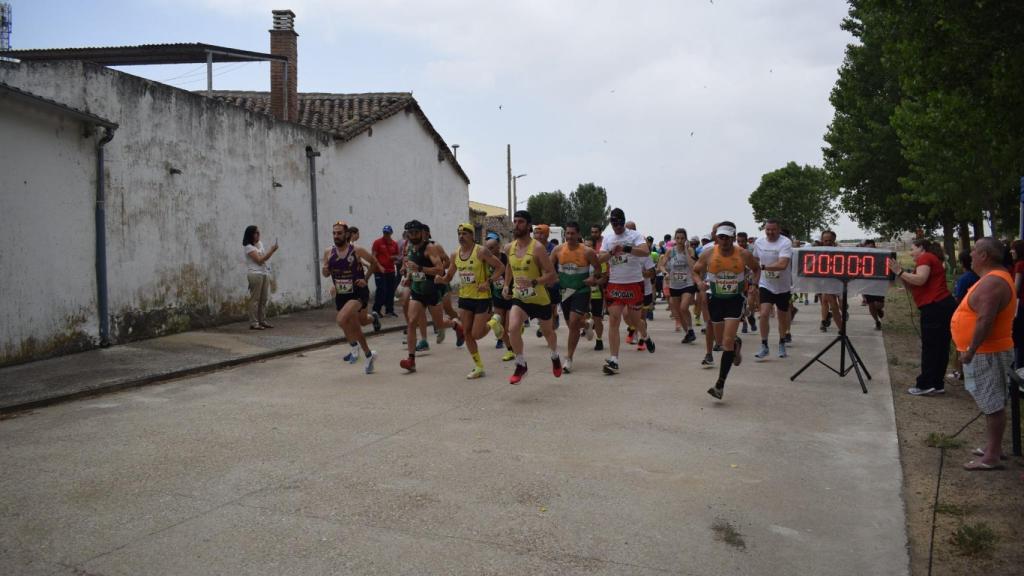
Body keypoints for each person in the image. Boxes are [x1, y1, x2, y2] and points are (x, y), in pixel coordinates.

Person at [951, 238, 1016, 470]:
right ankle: (993, 448)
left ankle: (992, 457)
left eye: (975, 251)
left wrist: (970, 350)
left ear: (985, 256)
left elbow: (985, 319)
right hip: (985, 352)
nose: (971, 255)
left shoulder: (993, 283)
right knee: (991, 401)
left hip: (987, 352)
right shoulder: (990, 279)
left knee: (992, 403)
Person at [694, 221, 760, 400]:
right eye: (721, 237)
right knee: (722, 342)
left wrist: (753, 285)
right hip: (715, 299)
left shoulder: (743, 254)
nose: (724, 241)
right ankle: (736, 347)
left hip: (735, 299)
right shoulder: (708, 253)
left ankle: (720, 385)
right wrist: (699, 282)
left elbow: (756, 269)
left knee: (727, 340)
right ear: (716, 237)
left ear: (733, 237)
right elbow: (696, 270)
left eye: (727, 237)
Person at [889, 238, 957, 396]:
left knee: (931, 347)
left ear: (921, 248)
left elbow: (920, 280)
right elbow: (915, 283)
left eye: (912, 248)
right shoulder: (932, 259)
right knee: (941, 347)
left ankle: (925, 384)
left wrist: (900, 272)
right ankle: (937, 383)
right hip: (943, 306)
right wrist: (902, 274)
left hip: (934, 307)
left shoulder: (925, 258)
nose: (911, 252)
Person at [502, 210, 561, 384]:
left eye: (520, 222)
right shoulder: (508, 247)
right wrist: (506, 285)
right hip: (520, 298)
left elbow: (552, 275)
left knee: (547, 332)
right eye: (515, 221)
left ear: (528, 226)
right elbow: (509, 268)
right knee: (512, 328)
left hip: (540, 299)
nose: (516, 225)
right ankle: (521, 364)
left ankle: (555, 355)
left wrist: (534, 282)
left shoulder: (537, 248)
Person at [444, 223, 506, 379]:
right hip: (465, 298)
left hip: (481, 298)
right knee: (467, 333)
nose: (461, 236)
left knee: (476, 334)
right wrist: (441, 279)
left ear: (472, 235)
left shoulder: (481, 251)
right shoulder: (455, 254)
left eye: (465, 233)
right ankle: (479, 367)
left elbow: (500, 268)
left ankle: (494, 322)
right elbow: (450, 275)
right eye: (459, 233)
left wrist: (489, 281)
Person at [399, 220, 461, 372]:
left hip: (432, 291)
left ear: (422, 233)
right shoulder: (409, 246)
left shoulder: (430, 248)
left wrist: (420, 268)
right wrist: (408, 276)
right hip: (417, 291)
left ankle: (455, 325)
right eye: (410, 233)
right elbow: (410, 266)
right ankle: (411, 359)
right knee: (412, 321)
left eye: (415, 233)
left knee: (439, 324)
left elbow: (440, 269)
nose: (412, 236)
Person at [322, 221, 382, 373]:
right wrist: (326, 272)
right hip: (342, 294)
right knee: (358, 326)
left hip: (357, 293)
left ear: (347, 234)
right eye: (334, 233)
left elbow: (374, 263)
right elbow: (326, 273)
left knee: (341, 319)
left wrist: (366, 279)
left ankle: (354, 347)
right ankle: (369, 355)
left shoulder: (357, 250)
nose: (336, 236)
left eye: (339, 233)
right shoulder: (328, 252)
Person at [598, 208, 652, 375]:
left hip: (634, 284)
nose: (617, 228)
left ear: (624, 222)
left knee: (634, 321)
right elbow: (599, 258)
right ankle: (614, 359)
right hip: (615, 285)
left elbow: (645, 251)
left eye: (620, 224)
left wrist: (626, 248)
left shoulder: (634, 236)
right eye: (614, 225)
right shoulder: (608, 238)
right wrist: (611, 253)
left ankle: (644, 335)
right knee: (614, 320)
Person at [552, 222, 601, 373]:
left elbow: (598, 269)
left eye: (573, 233)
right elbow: (548, 267)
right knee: (572, 325)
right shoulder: (558, 250)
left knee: (573, 323)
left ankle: (568, 359)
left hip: (581, 291)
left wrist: (593, 278)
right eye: (567, 233)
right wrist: (552, 278)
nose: (570, 236)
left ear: (579, 235)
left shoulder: (587, 251)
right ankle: (586, 325)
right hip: (565, 292)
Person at [752, 219, 793, 359]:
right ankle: (764, 345)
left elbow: (783, 264)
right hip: (766, 284)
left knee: (782, 317)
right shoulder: (759, 242)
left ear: (778, 229)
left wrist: (763, 267)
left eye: (773, 230)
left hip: (783, 286)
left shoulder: (785, 242)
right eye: (767, 229)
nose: (770, 232)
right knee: (763, 314)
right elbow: (755, 262)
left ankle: (782, 342)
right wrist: (754, 283)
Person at [659, 228, 698, 344]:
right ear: (675, 239)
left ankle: (690, 329)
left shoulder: (690, 250)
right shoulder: (670, 251)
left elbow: (693, 266)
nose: (680, 240)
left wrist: (686, 251)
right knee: (678, 312)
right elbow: (661, 265)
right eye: (678, 238)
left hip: (687, 283)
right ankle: (688, 334)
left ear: (685, 239)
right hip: (674, 284)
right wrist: (665, 273)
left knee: (683, 307)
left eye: (682, 238)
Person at [485, 234, 515, 360]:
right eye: (487, 248)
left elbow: (512, 273)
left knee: (508, 327)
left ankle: (516, 332)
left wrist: (508, 287)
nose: (489, 250)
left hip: (510, 294)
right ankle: (509, 350)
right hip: (496, 296)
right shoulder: (486, 260)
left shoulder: (505, 258)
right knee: (499, 324)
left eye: (492, 248)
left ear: (498, 247)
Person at [242, 225, 278, 330]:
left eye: (259, 232)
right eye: (256, 233)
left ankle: (262, 320)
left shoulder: (260, 244)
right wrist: (272, 251)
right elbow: (259, 260)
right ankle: (254, 322)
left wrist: (270, 251)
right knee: (255, 299)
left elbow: (263, 258)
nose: (259, 235)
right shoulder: (248, 247)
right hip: (255, 274)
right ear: (251, 235)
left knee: (263, 299)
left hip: (264, 273)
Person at [371, 225, 401, 317]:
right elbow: (373, 256)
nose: (386, 235)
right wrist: (379, 266)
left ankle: (389, 310)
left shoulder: (394, 244)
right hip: (379, 271)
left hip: (390, 270)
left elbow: (397, 256)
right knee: (381, 290)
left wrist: (395, 258)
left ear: (391, 233)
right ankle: (376, 310)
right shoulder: (377, 242)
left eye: (388, 233)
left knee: (391, 291)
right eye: (384, 233)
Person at [818, 231, 843, 333]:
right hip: (826, 282)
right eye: (825, 241)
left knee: (840, 305)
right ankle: (826, 322)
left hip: (839, 282)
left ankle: (840, 322)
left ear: (834, 241)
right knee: (830, 304)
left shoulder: (840, 252)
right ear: (822, 241)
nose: (827, 242)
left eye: (830, 240)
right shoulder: (818, 252)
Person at [588, 225, 608, 351]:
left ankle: (599, 340)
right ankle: (588, 325)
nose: (586, 249)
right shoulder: (579, 260)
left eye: (589, 247)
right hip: (583, 293)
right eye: (585, 246)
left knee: (597, 318)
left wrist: (596, 282)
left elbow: (604, 277)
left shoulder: (599, 260)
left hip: (596, 293)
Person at [1011, 239, 1024, 367]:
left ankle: (1019, 368)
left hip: (1021, 305)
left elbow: (1016, 288)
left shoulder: (1020, 265)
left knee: (1019, 339)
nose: (1011, 251)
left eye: (1013, 249)